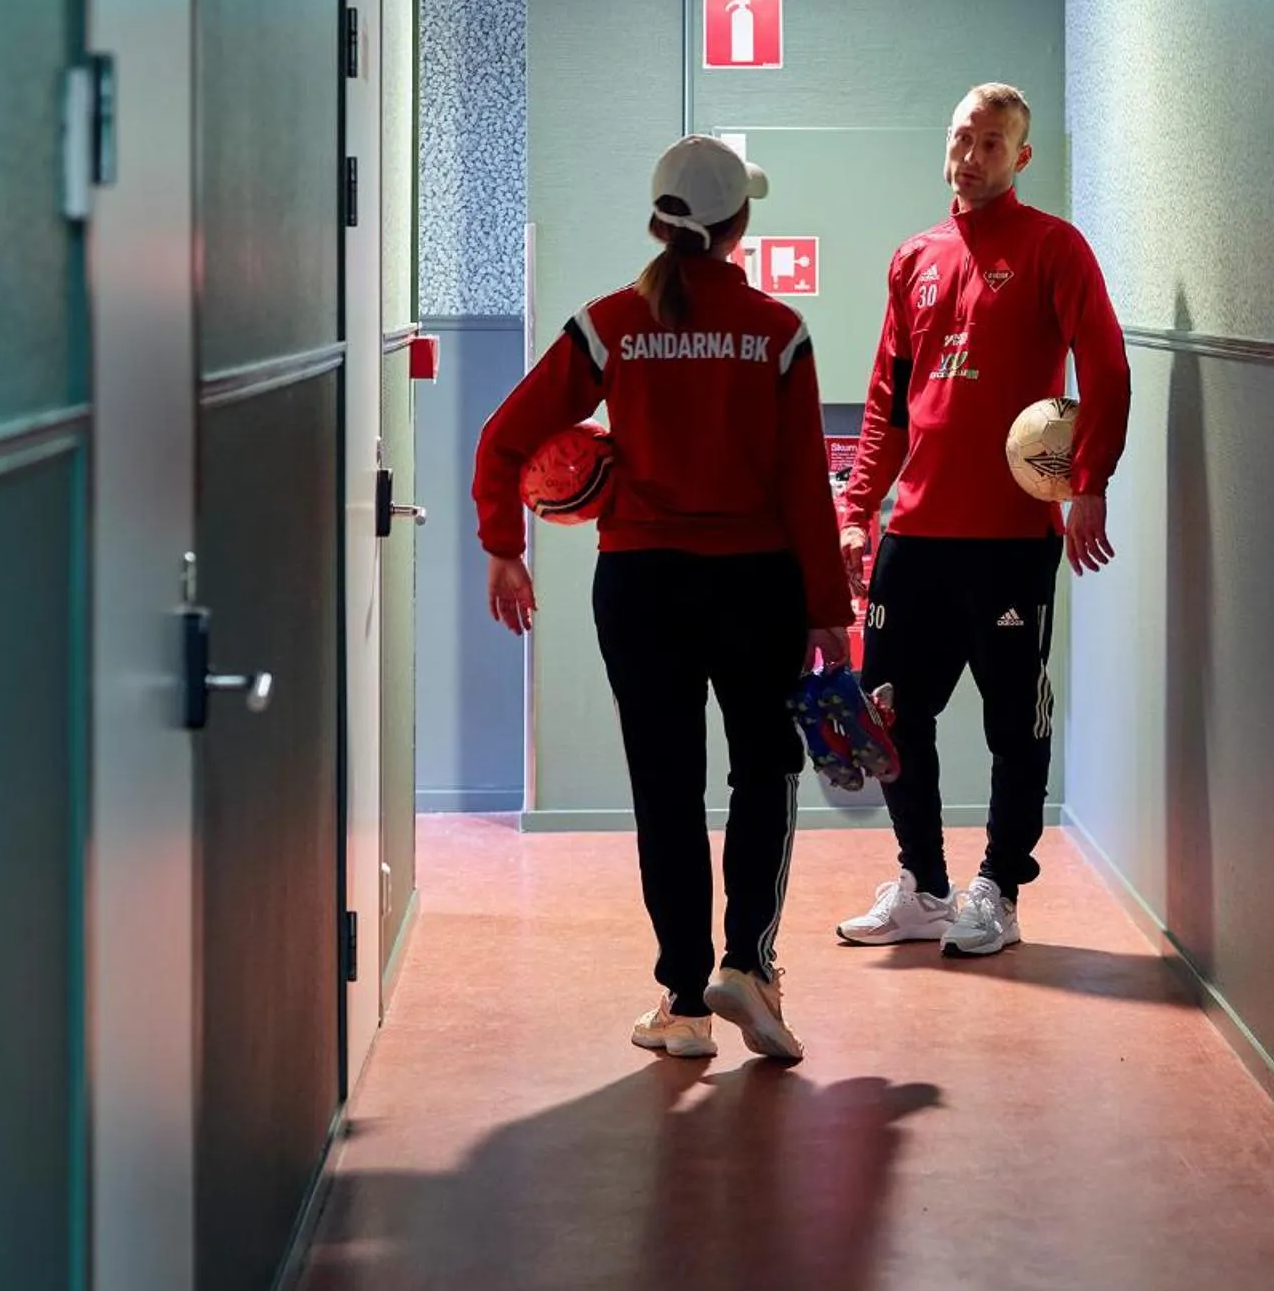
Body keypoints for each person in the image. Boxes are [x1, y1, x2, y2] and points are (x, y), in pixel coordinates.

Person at [472, 135, 854, 1063]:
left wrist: (504, 547)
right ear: (739, 222)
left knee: (665, 786)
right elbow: (806, 485)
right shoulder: (778, 331)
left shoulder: (609, 323)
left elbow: (503, 435)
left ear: (660, 220)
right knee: (764, 771)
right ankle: (748, 967)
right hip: (756, 585)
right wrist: (828, 611)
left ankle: (684, 1006)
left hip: (641, 588)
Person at [834, 83, 1131, 958]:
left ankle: (999, 888)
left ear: (1021, 157)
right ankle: (925, 888)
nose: (972, 155)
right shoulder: (913, 258)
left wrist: (1088, 482)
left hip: (1009, 541)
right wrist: (858, 511)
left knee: (1013, 722)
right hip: (914, 535)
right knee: (888, 712)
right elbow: (890, 399)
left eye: (993, 143)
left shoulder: (1053, 247)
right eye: (964, 137)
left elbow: (1106, 366)